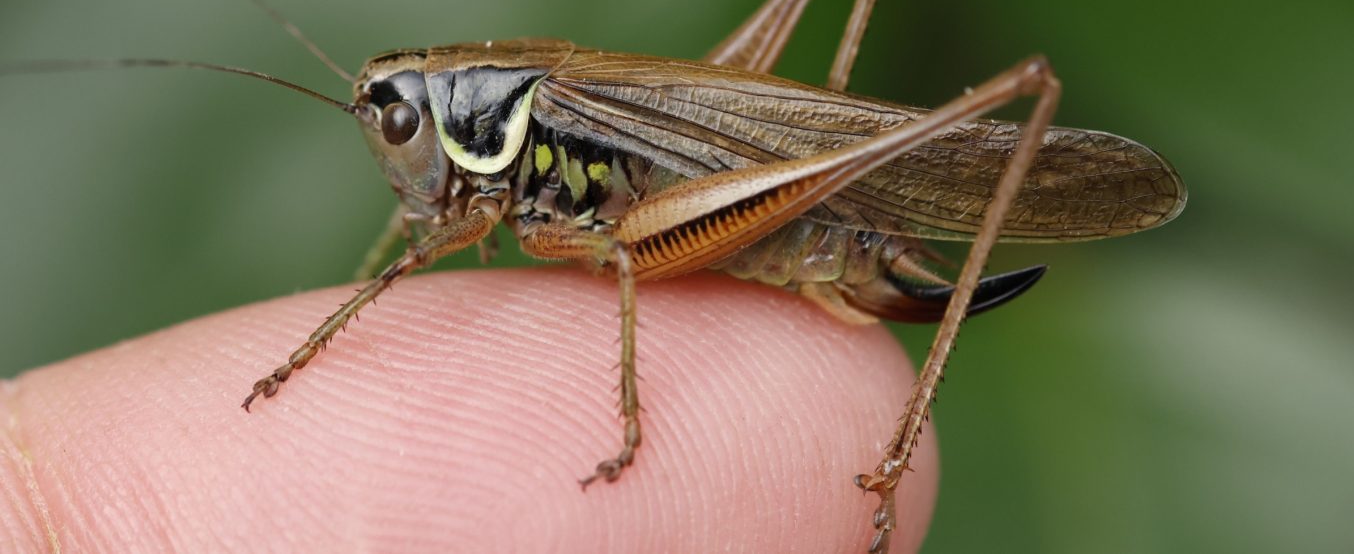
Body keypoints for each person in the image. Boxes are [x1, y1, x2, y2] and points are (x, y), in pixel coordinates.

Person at [1, 269, 937, 552]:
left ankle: (888, 457)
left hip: (772, 215)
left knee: (613, 252)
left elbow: (619, 255)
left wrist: (630, 433)